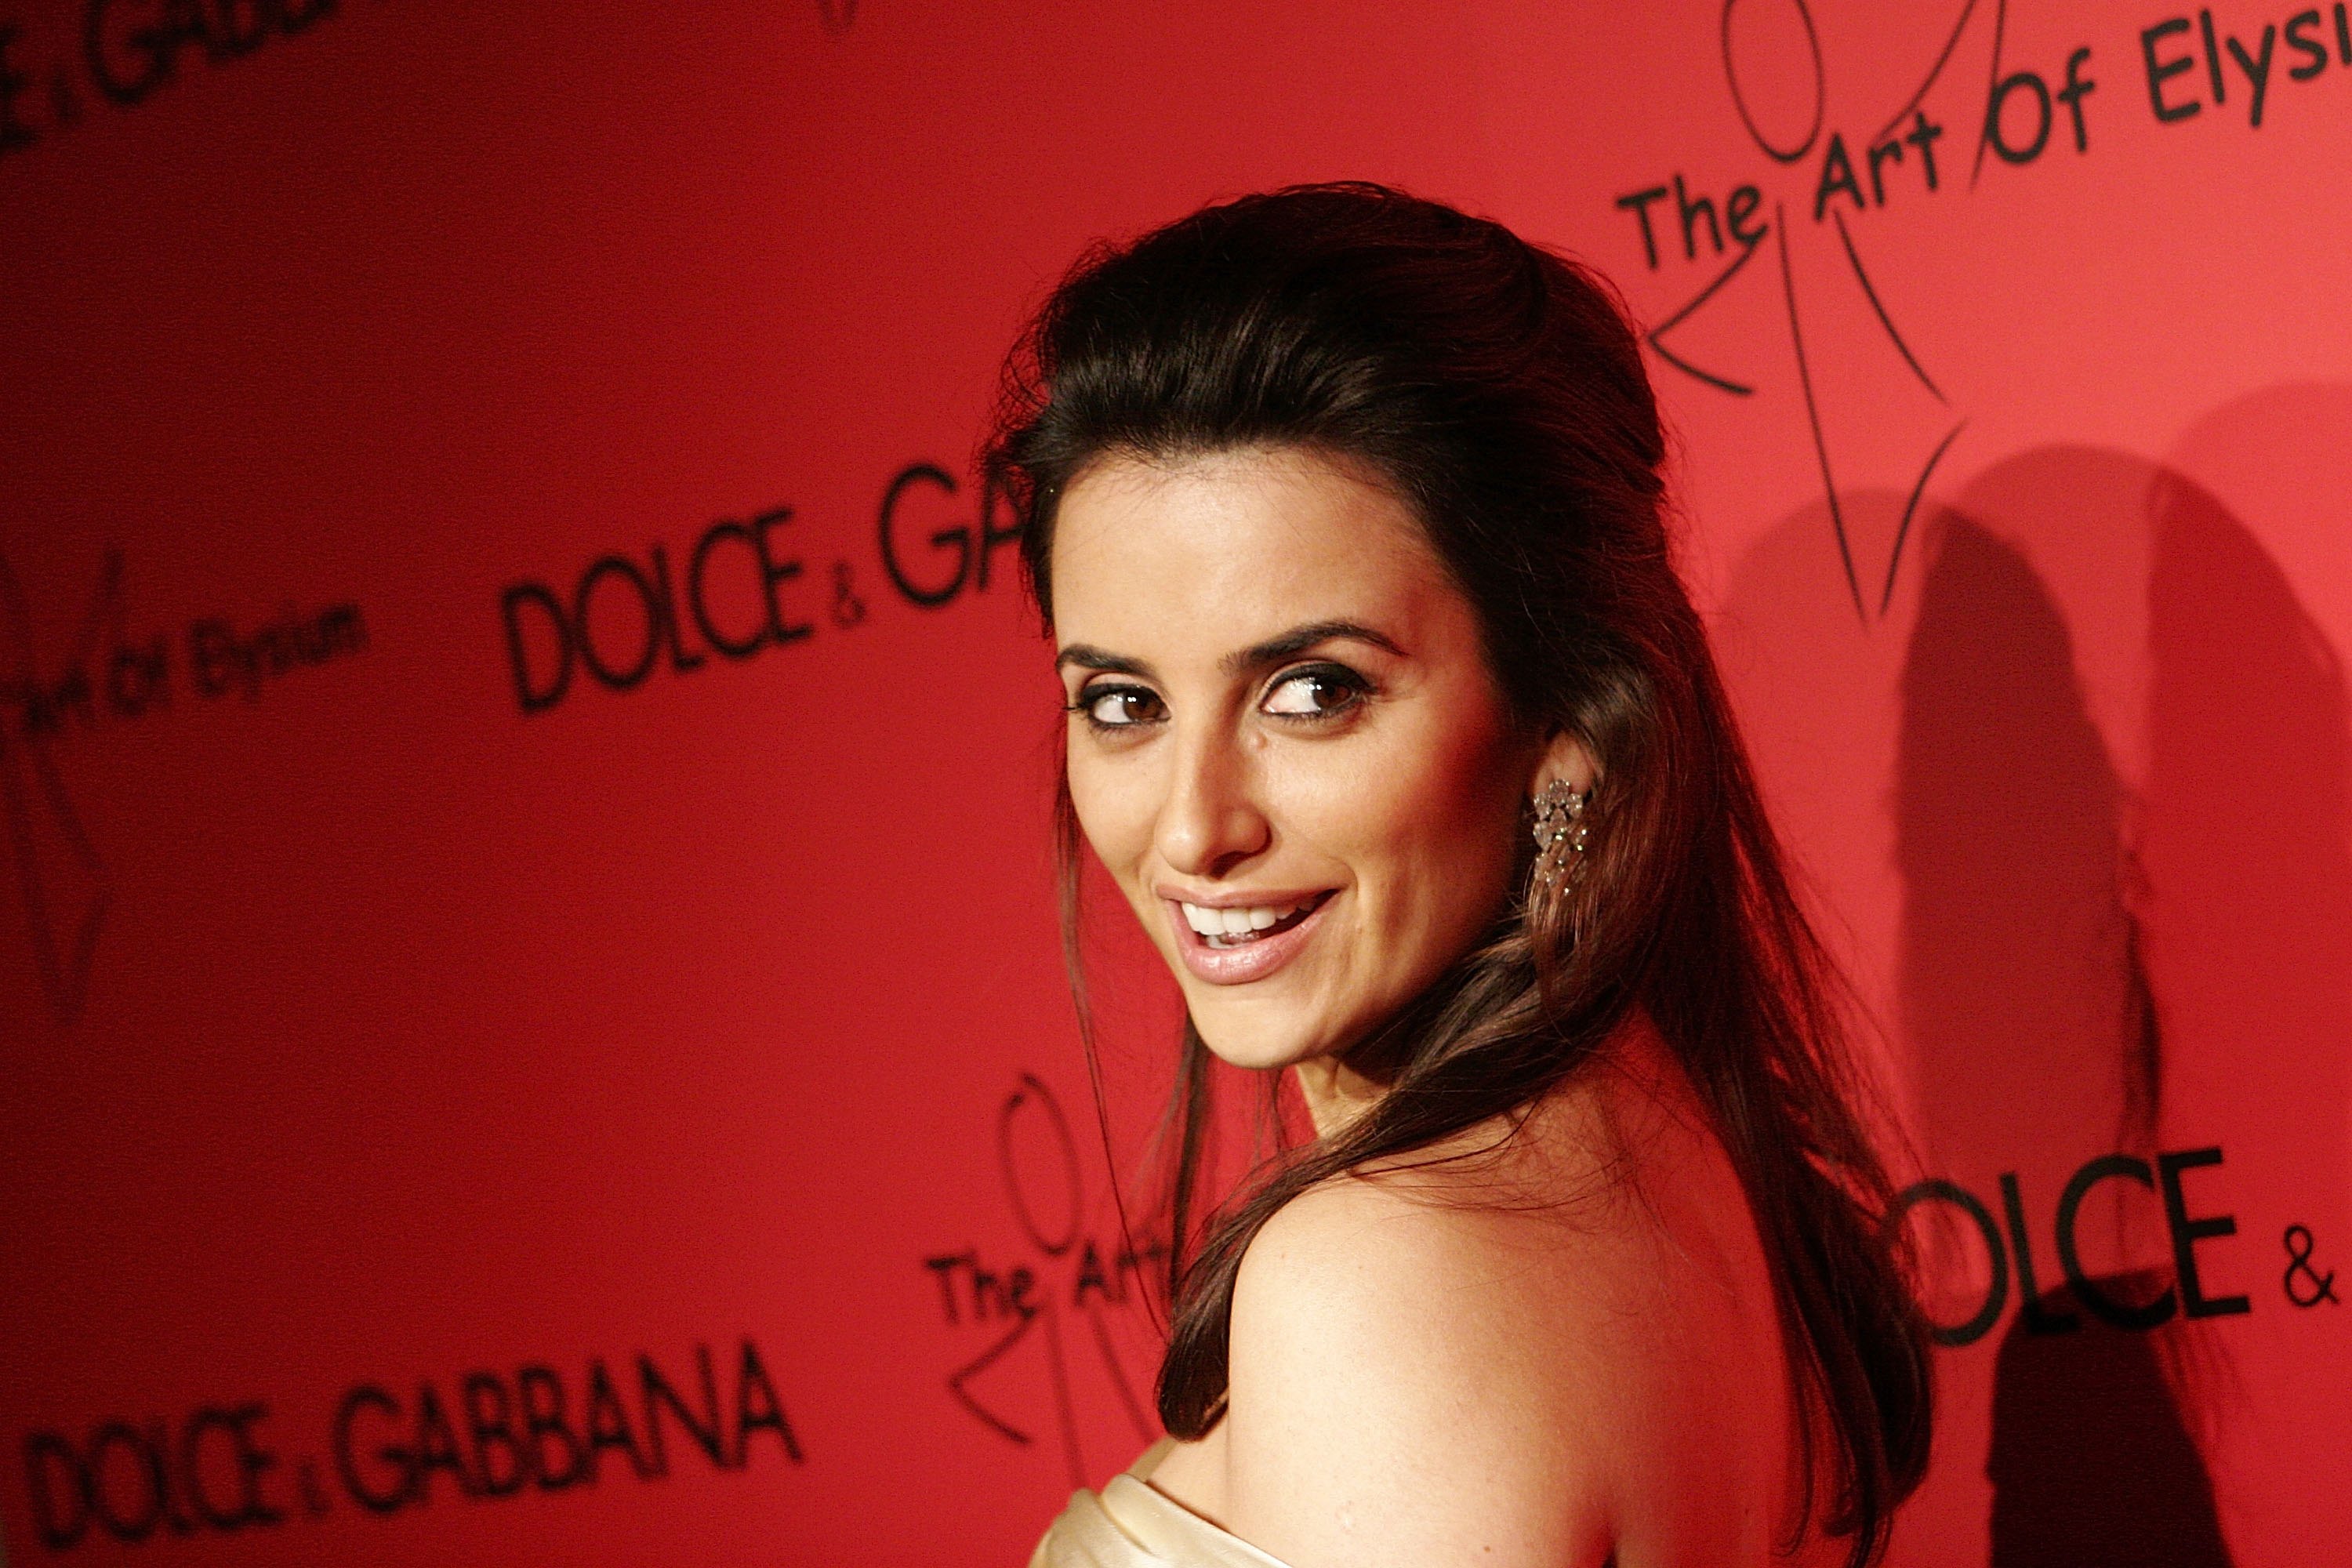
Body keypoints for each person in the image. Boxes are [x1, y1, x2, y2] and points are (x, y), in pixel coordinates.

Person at [991, 183, 1932, 1568]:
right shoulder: (1692, 1174)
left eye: (1314, 691)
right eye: (1124, 704)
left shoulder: (1377, 1281)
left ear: (1565, 726)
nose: (1193, 829)